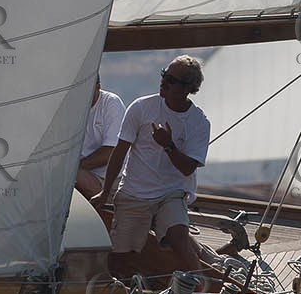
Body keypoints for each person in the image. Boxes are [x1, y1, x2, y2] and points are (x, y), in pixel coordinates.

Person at [92, 55, 215, 281]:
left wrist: (168, 145)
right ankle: (123, 292)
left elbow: (187, 169)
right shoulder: (141, 107)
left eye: (170, 79)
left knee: (179, 237)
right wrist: (105, 191)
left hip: (172, 193)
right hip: (134, 192)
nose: (163, 82)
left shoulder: (199, 122)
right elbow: (119, 152)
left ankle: (203, 290)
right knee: (120, 257)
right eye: (163, 75)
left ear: (188, 88)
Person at [75, 74, 126, 200]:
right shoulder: (70, 108)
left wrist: (76, 166)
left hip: (113, 179)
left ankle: (105, 204)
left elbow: (111, 152)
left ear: (98, 87)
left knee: (71, 174)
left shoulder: (111, 103)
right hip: (84, 173)